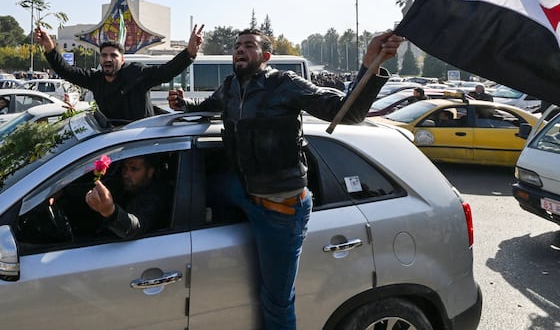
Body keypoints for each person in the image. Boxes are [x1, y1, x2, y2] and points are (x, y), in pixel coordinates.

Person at [167, 28, 402, 330]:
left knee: (277, 301)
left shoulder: (284, 84)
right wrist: (183, 105)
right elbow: (206, 108)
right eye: (237, 46)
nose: (239, 50)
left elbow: (346, 111)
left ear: (265, 56)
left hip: (281, 210)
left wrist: (370, 66)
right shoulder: (229, 88)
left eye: (248, 46)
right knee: (197, 187)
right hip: (244, 191)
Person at [34, 24, 205, 121]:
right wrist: (50, 48)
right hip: (113, 143)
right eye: (104, 55)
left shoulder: (136, 74)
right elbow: (67, 71)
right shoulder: (96, 79)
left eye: (113, 55)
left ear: (122, 59)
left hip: (141, 140)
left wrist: (189, 52)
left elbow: (166, 72)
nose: (108, 59)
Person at [84, 156, 170, 239]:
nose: (126, 175)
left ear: (150, 172)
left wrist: (109, 212)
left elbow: (134, 228)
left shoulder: (156, 197)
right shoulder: (123, 184)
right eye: (124, 168)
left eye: (134, 169)